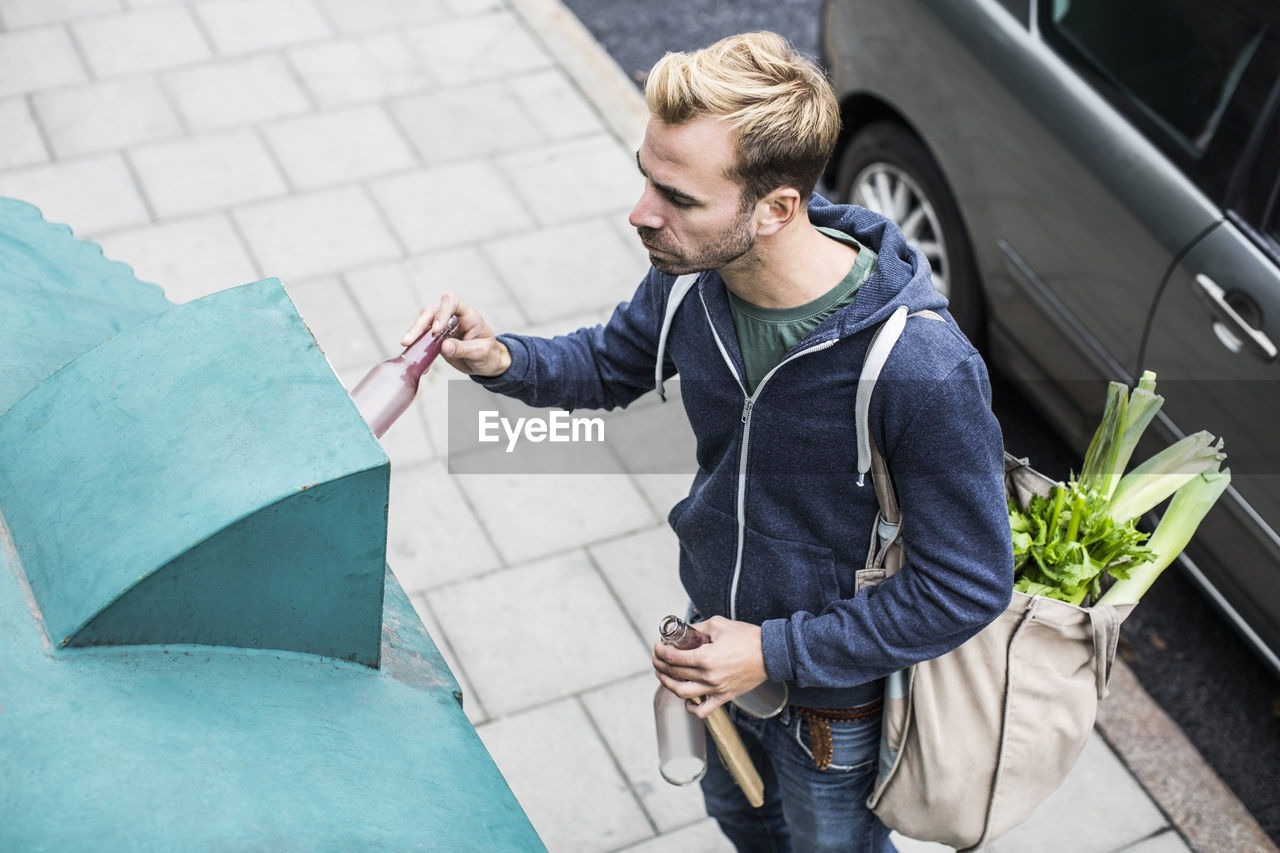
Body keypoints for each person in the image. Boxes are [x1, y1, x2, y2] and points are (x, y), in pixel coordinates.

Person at [403, 31, 1013, 853]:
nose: (641, 213)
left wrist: (772, 650)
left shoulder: (921, 370)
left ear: (776, 209)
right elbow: (611, 361)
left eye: (679, 198)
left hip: (831, 702)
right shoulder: (694, 277)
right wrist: (502, 357)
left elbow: (968, 585)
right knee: (740, 818)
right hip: (710, 639)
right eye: (646, 177)